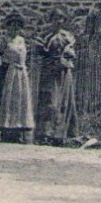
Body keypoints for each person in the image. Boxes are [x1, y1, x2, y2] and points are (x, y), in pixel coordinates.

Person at [37, 10, 80, 145]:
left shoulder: (68, 36)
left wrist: (67, 54)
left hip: (63, 71)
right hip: (49, 72)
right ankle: (46, 133)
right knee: (50, 102)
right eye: (55, 19)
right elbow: (41, 51)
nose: (58, 22)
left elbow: (72, 52)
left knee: (64, 102)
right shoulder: (46, 36)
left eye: (61, 19)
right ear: (51, 20)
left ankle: (61, 134)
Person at [0, 12, 35, 144]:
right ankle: (7, 130)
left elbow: (25, 58)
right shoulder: (3, 40)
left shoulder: (21, 40)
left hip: (21, 74)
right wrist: (2, 70)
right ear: (7, 26)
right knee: (8, 101)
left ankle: (19, 129)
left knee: (20, 101)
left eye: (17, 26)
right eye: (12, 26)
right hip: (9, 73)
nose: (14, 29)